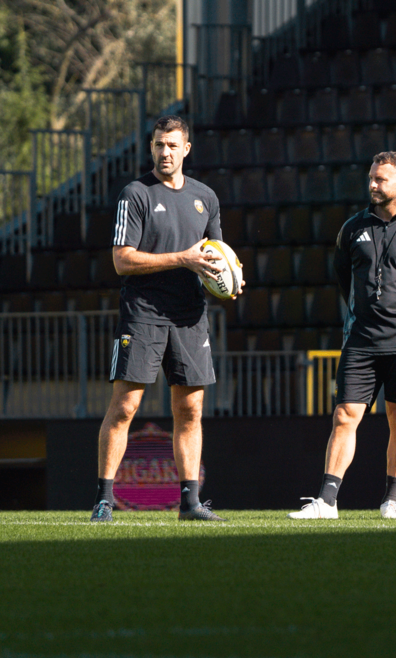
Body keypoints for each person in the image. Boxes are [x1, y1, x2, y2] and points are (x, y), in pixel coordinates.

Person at [91, 115, 240, 522]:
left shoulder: (205, 197)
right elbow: (122, 261)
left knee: (190, 410)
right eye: (159, 144)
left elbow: (215, 255)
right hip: (144, 313)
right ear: (151, 147)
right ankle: (105, 500)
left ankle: (190, 503)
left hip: (190, 315)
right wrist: (183, 258)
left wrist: (228, 281)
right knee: (124, 407)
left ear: (186, 148)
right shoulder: (135, 194)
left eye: (173, 145)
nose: (165, 152)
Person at [289, 152, 396, 520]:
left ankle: (392, 500)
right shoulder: (352, 228)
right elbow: (343, 278)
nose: (373, 184)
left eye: (381, 179)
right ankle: (327, 501)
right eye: (372, 178)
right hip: (360, 339)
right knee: (344, 415)